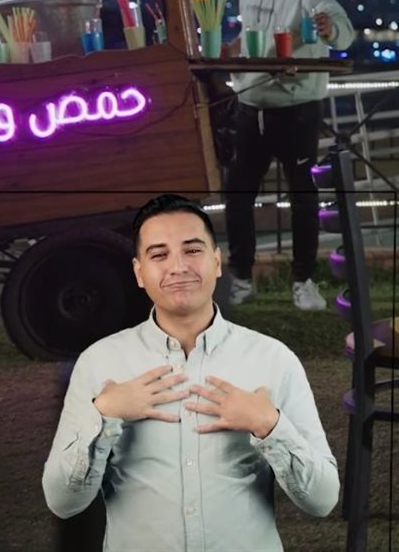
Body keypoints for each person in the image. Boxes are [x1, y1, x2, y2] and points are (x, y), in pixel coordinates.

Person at [42, 195, 339, 550]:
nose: (178, 266)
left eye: (193, 250)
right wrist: (103, 415)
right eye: (159, 255)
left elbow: (323, 500)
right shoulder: (100, 363)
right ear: (139, 273)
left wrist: (270, 424)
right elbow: (62, 502)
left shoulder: (273, 359)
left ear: (217, 261)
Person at [224, 0, 354, 311]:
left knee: (303, 197)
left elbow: (343, 29)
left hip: (297, 109)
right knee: (238, 194)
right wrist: (227, 53)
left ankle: (304, 281)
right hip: (250, 106)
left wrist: (330, 29)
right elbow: (250, 36)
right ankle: (241, 278)